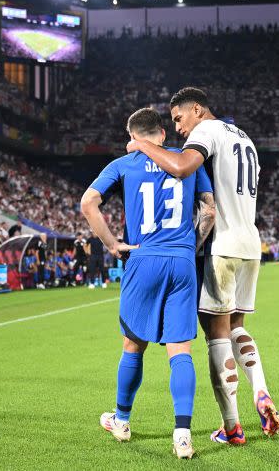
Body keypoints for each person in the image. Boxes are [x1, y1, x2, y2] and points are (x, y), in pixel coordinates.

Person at [125, 87, 279, 442]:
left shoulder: (206, 132)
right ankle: (260, 387)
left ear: (196, 109)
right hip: (249, 242)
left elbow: (181, 167)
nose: (179, 128)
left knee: (216, 336)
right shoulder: (244, 137)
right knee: (237, 326)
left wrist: (143, 145)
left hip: (220, 246)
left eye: (179, 118)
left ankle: (232, 427)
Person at [82, 107, 214, 459]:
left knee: (132, 345)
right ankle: (183, 436)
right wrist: (190, 248)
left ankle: (121, 420)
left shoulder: (122, 166)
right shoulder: (187, 160)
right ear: (162, 133)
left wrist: (112, 245)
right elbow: (210, 211)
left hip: (143, 258)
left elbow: (88, 203)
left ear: (132, 136)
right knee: (181, 351)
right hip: (182, 261)